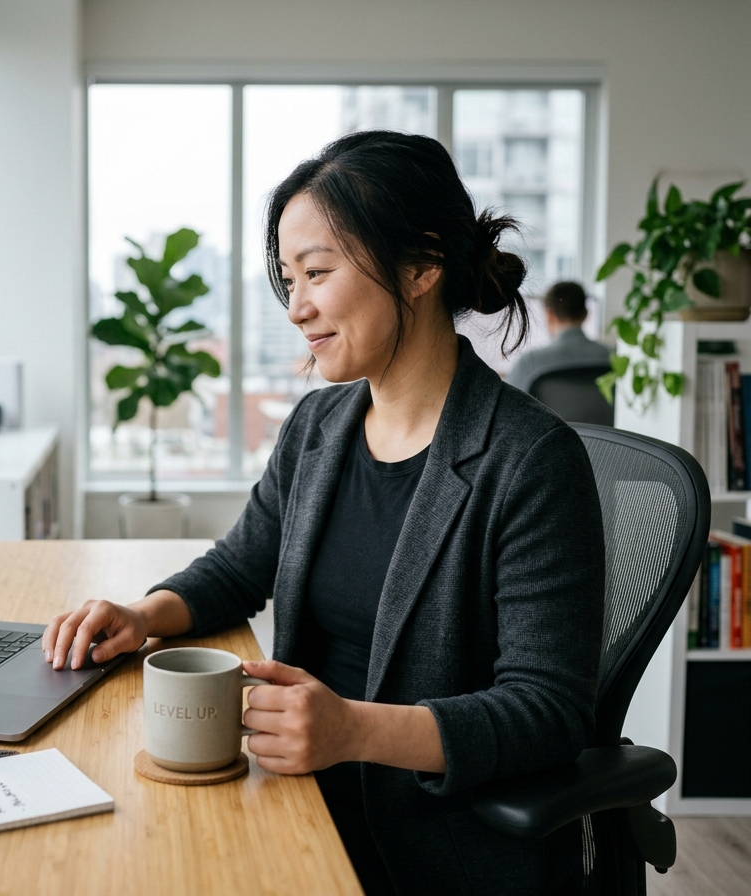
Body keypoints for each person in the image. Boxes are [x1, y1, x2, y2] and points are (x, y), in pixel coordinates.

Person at [44, 131, 605, 895]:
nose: (297, 306)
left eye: (317, 272)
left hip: (427, 846)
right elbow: (243, 564)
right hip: (292, 799)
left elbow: (548, 710)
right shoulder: (318, 428)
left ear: (421, 265)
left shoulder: (530, 460)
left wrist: (352, 730)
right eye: (288, 278)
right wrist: (144, 616)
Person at [506, 280, 612, 393]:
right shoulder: (613, 356)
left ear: (549, 315)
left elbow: (505, 405)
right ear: (586, 314)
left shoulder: (529, 363)